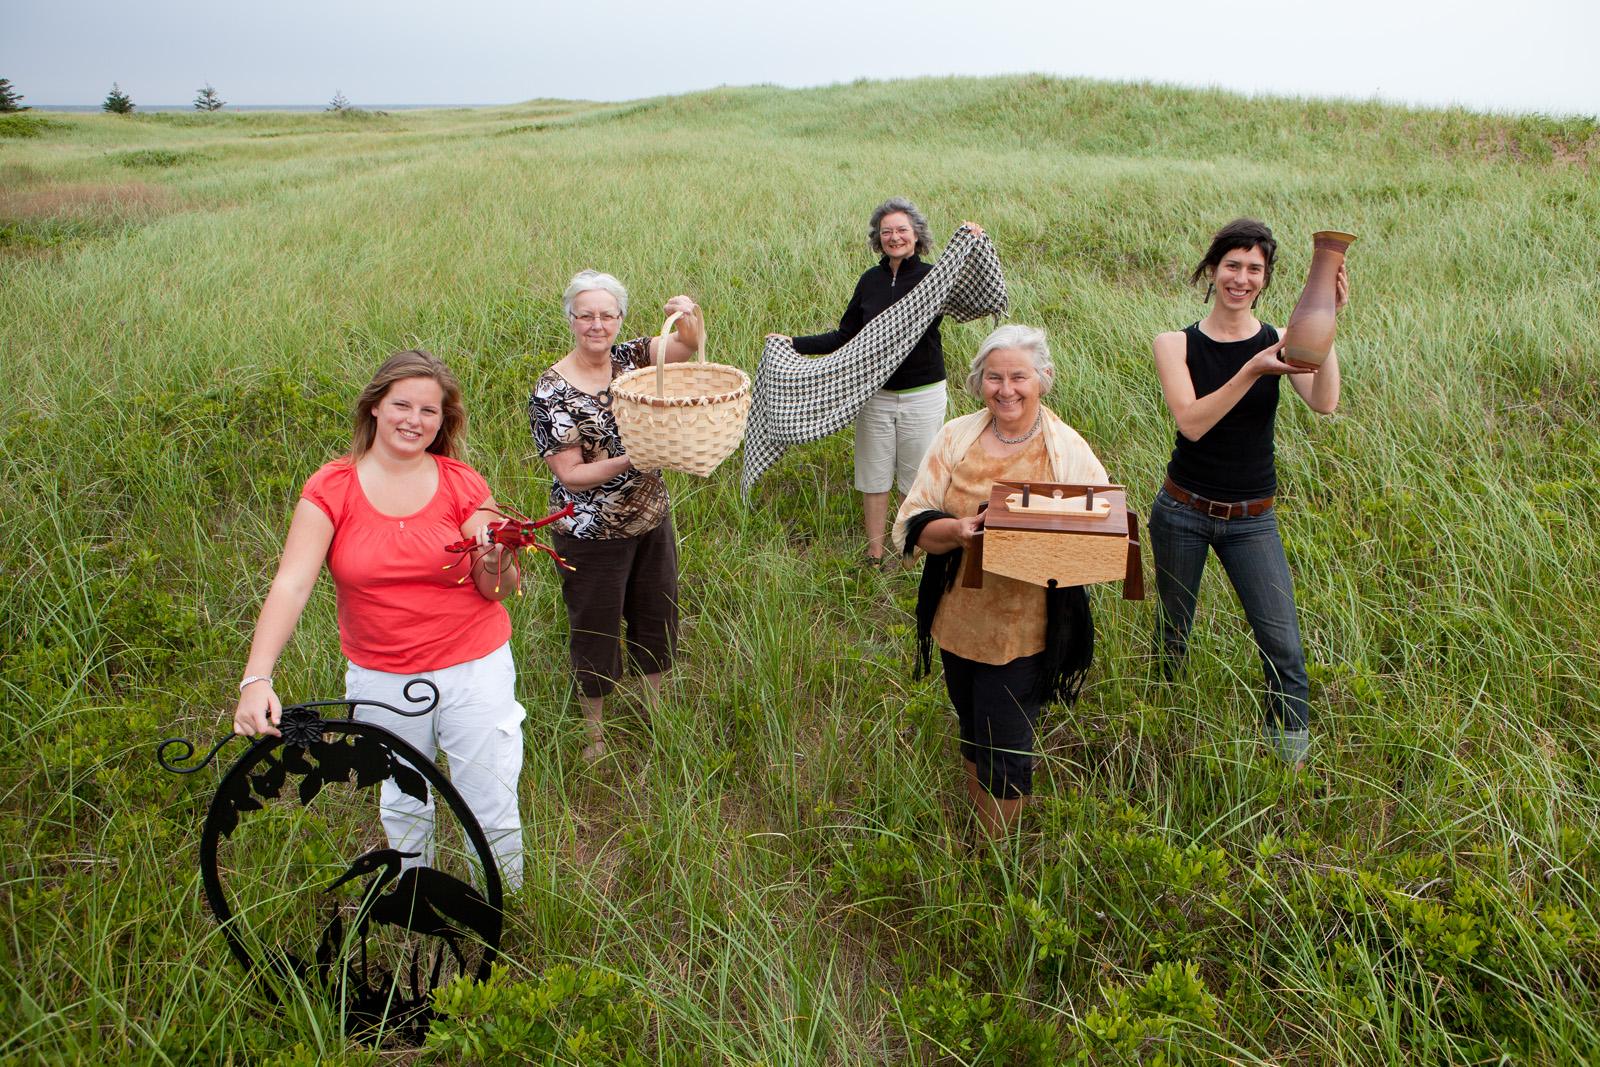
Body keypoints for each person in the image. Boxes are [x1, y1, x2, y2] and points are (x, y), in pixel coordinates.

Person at [232, 349, 528, 888]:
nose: (413, 421)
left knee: (489, 797)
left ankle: (505, 908)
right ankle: (413, 902)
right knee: (404, 796)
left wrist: (496, 556)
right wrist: (258, 677)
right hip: (382, 676)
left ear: (443, 422)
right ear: (374, 406)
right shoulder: (332, 487)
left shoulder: (462, 482)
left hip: (474, 668)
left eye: (429, 412)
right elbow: (292, 584)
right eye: (402, 405)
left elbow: (496, 590)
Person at [893, 325, 1108, 838]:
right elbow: (916, 519)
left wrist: (1034, 545)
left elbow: (1101, 533)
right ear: (978, 381)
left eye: (1018, 377)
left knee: (1005, 750)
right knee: (972, 731)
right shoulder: (955, 437)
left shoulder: (1066, 450)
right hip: (958, 620)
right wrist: (961, 531)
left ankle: (997, 863)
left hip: (1024, 630)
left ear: (1043, 379)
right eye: (994, 377)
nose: (1005, 389)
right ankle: (981, 836)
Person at [1149, 218, 1346, 766]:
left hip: (1252, 519)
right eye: (1232, 265)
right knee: (1173, 632)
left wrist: (1327, 322)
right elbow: (1191, 423)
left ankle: (1289, 763)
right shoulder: (1175, 344)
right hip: (1181, 510)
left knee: (1284, 646)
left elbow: (1324, 402)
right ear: (1211, 270)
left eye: (1254, 269)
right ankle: (1163, 733)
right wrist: (1252, 370)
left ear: (1265, 278)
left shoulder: (1281, 342)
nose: (1241, 277)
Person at [528, 270, 704, 763]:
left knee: (656, 616)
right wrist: (640, 454)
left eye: (607, 314)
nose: (597, 324)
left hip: (650, 519)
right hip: (590, 531)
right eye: (586, 315)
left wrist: (690, 315)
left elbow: (686, 348)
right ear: (571, 320)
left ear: (620, 319)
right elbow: (570, 475)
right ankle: (594, 737)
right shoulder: (551, 392)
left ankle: (656, 715)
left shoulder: (630, 357)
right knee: (596, 627)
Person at [770, 198, 982, 566]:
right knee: (874, 473)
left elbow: (973, 294)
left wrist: (973, 241)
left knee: (917, 477)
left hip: (922, 393)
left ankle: (909, 551)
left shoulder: (934, 277)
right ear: (878, 239)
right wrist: (793, 343)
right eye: (887, 232)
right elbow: (845, 335)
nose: (894, 237)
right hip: (875, 394)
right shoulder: (870, 281)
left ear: (916, 236)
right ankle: (874, 551)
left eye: (902, 230)